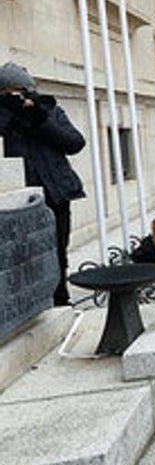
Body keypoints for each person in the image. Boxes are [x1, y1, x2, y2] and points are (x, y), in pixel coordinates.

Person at [0, 62, 86, 306]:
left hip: (55, 191)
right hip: (21, 198)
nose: (19, 97)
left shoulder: (48, 109)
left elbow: (74, 143)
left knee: (58, 249)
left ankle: (60, 298)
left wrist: (38, 118)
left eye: (23, 91)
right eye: (11, 93)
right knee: (21, 255)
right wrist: (8, 111)